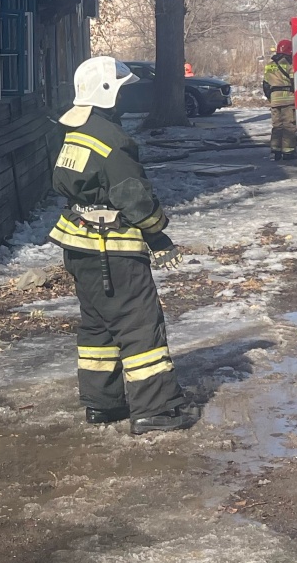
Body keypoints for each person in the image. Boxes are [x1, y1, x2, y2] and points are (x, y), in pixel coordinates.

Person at [50, 57, 199, 435]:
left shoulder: (77, 130)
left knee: (98, 326)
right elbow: (134, 198)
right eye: (123, 90)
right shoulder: (112, 140)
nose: (127, 98)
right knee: (140, 325)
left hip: (80, 247)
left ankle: (103, 404)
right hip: (111, 250)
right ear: (107, 93)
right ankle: (157, 410)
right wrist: (158, 235)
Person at [262, 39, 297, 161]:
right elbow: (295, 81)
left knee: (277, 126)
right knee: (289, 126)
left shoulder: (269, 65)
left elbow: (265, 84)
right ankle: (289, 152)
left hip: (275, 100)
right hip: (288, 99)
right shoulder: (289, 64)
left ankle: (275, 151)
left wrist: (271, 98)